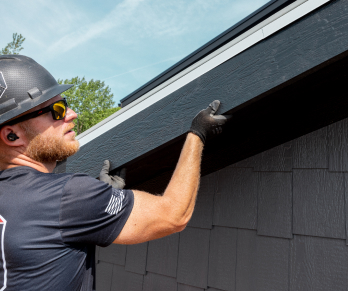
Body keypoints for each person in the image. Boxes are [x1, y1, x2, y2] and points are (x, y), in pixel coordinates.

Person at [0, 55, 230, 291]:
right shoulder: (68, 196)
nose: (72, 114)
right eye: (56, 110)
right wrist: (197, 134)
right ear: (12, 135)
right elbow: (173, 215)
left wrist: (97, 204)